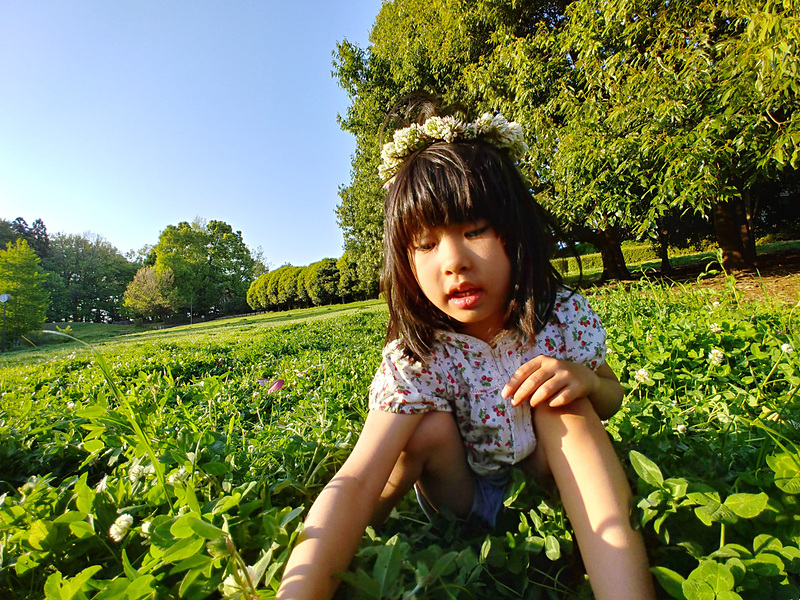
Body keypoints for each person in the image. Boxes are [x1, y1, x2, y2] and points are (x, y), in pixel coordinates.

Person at [277, 99, 655, 600]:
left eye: (474, 230)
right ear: (403, 260)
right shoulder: (417, 354)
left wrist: (585, 382)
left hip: (549, 487)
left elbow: (613, 393)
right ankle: (368, 533)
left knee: (566, 405)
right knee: (420, 430)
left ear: (513, 232)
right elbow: (356, 479)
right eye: (426, 243)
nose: (453, 262)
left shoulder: (558, 314)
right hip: (460, 499)